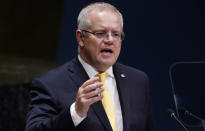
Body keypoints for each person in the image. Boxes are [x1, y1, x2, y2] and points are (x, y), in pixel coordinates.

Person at [25, 2, 155, 131]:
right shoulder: (50, 84)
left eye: (116, 34)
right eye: (100, 33)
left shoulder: (138, 81)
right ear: (81, 38)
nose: (109, 40)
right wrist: (76, 112)